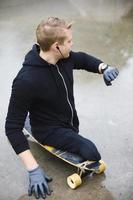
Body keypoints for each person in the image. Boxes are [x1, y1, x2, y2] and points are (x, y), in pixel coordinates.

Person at [5, 17, 119, 199]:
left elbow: (83, 59)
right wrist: (33, 169)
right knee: (91, 152)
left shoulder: (65, 59)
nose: (72, 45)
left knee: (79, 138)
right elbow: (11, 128)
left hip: (69, 121)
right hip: (48, 130)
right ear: (56, 46)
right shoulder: (26, 81)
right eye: (69, 42)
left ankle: (53, 129)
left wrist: (103, 68)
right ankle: (35, 128)